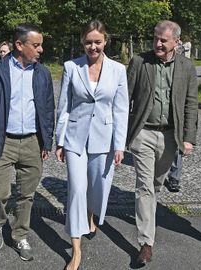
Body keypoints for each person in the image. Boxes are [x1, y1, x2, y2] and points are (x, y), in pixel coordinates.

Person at [0, 23, 54, 261]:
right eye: (36, 45)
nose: (40, 50)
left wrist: (45, 142)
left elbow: (48, 110)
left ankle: (19, 235)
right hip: (2, 141)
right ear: (20, 45)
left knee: (27, 195)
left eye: (41, 45)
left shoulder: (43, 73)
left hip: (31, 143)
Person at [55, 20, 129, 270]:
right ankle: (76, 250)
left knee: (98, 188)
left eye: (97, 41)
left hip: (104, 138)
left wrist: (120, 145)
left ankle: (90, 215)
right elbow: (64, 106)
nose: (93, 46)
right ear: (82, 42)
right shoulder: (71, 67)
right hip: (75, 138)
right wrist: (60, 140)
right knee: (76, 189)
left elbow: (121, 110)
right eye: (88, 42)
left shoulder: (118, 70)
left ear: (105, 41)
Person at [126, 20, 198, 265]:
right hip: (143, 134)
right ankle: (146, 243)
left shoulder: (187, 67)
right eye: (155, 38)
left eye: (163, 40)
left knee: (156, 185)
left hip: (170, 136)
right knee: (144, 186)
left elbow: (190, 104)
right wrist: (122, 133)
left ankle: (148, 219)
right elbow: (125, 98)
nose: (157, 43)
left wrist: (189, 138)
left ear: (176, 42)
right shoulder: (139, 62)